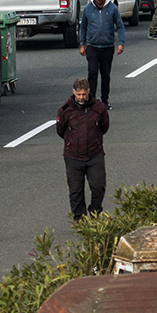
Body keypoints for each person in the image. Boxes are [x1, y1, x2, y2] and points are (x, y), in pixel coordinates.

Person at [56, 77, 109, 219]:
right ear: (73, 92)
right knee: (75, 191)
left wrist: (96, 140)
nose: (81, 97)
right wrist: (71, 143)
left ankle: (95, 211)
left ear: (88, 92)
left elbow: (104, 127)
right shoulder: (65, 110)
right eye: (78, 94)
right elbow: (61, 130)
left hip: (95, 154)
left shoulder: (99, 108)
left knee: (99, 186)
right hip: (73, 156)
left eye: (83, 94)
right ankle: (80, 218)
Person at [78, 0, 126, 109]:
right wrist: (82, 44)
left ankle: (104, 100)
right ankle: (92, 100)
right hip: (92, 46)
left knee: (105, 74)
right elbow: (83, 27)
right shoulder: (88, 8)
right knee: (92, 72)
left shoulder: (112, 8)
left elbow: (120, 26)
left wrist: (121, 43)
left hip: (107, 46)